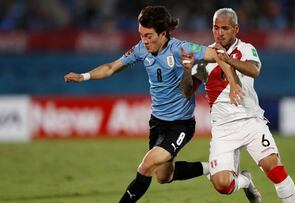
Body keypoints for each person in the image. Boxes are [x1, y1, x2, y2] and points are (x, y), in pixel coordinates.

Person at [64, 6, 242, 203]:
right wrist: (83, 76)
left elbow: (217, 54)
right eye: (141, 35)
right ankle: (213, 168)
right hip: (157, 123)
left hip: (181, 125)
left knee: (146, 165)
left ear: (163, 33)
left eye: (148, 36)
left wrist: (234, 84)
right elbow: (111, 68)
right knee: (164, 176)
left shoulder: (180, 49)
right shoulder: (141, 50)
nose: (144, 41)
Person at [181, 8, 295, 203]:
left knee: (275, 168)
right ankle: (246, 182)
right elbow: (186, 92)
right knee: (222, 185)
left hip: (250, 120)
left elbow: (254, 70)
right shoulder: (205, 56)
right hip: (223, 128)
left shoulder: (245, 49)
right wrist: (186, 70)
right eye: (215, 28)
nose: (219, 32)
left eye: (224, 28)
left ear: (236, 29)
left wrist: (229, 60)